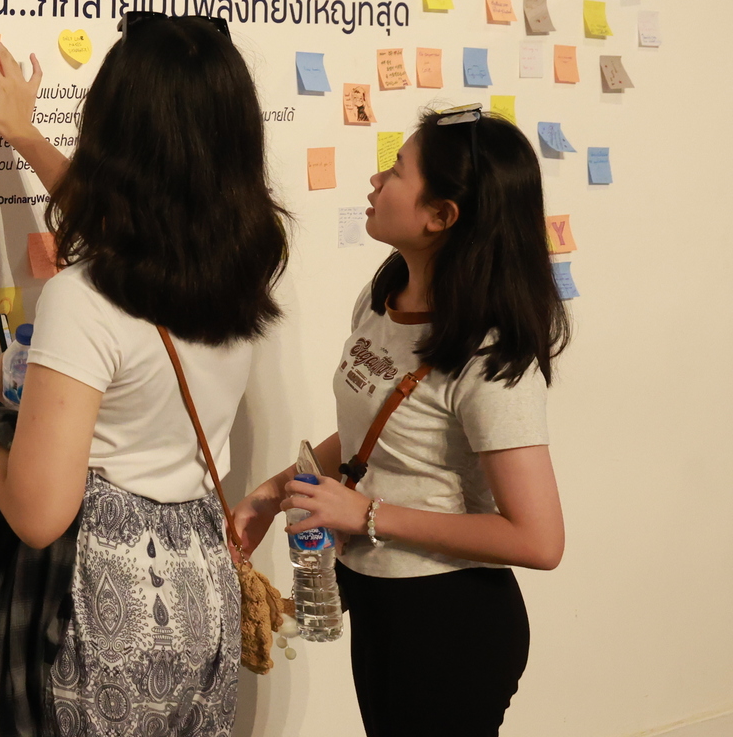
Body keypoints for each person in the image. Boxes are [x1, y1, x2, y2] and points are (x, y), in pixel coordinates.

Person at [0, 20, 287, 737]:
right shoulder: (238, 271)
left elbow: (38, 514)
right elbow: (135, 224)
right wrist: (25, 137)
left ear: (114, 134)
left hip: (103, 614)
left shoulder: (83, 300)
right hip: (201, 596)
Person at [232, 105, 570, 736]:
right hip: (377, 598)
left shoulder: (491, 359)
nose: (375, 181)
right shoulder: (383, 295)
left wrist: (366, 515)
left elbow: (539, 540)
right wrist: (270, 496)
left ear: (441, 215)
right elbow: (375, 438)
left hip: (449, 621)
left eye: (396, 170)